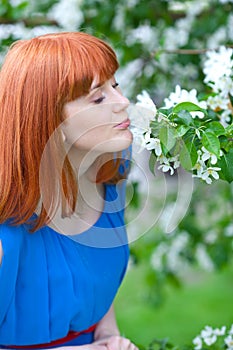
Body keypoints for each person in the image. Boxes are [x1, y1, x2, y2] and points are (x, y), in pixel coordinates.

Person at [0, 31, 138, 350]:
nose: (123, 102)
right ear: (49, 121)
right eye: (98, 97)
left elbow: (94, 275)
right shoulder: (7, 233)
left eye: (115, 86)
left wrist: (108, 334)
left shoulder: (110, 174)